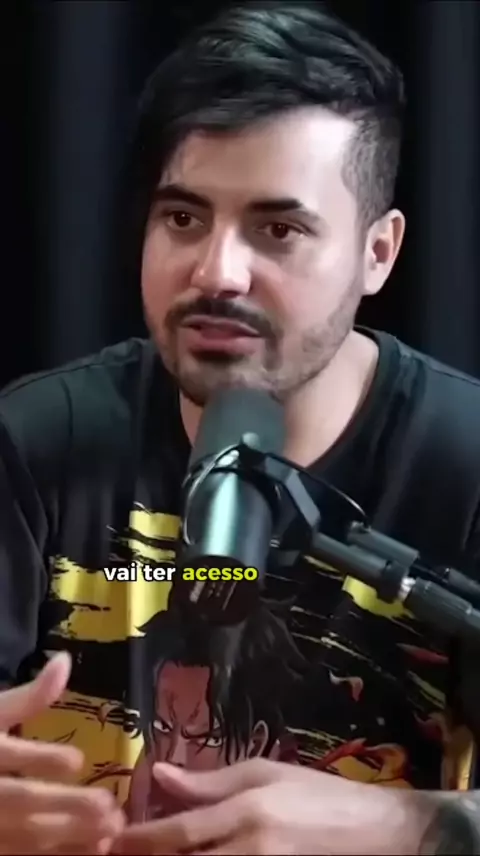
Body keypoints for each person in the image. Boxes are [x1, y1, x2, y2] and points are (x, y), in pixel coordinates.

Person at [1, 0, 480, 853]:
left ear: (378, 252)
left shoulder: (467, 463)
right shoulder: (34, 441)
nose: (217, 272)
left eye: (278, 229)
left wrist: (413, 827)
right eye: (183, 218)